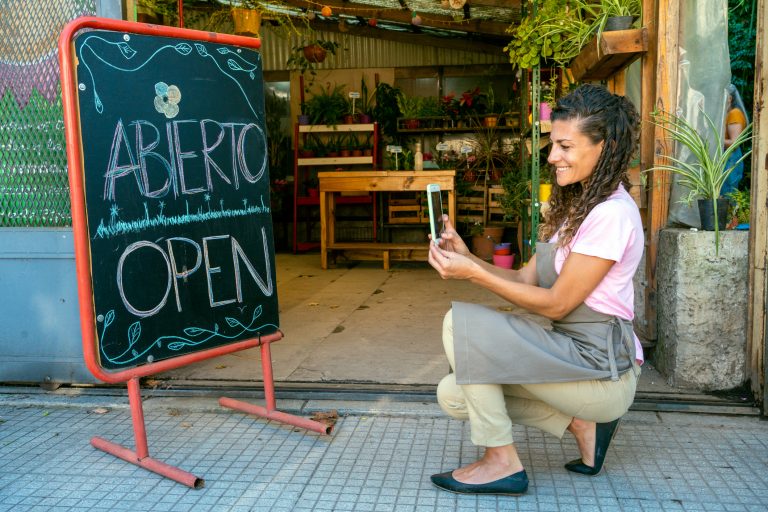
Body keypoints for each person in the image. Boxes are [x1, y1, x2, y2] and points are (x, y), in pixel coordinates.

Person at [427, 84, 644, 496]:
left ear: (605, 147)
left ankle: (500, 461)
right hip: (565, 352)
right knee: (453, 394)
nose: (552, 156)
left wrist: (471, 276)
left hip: (599, 366)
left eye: (565, 146)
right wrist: (468, 257)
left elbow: (559, 304)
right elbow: (527, 280)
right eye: (552, 144)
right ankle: (582, 424)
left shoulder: (611, 214)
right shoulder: (579, 207)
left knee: (461, 326)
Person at [721, 83, 749, 198]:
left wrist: (712, 140)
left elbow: (734, 143)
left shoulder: (734, 114)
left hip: (731, 159)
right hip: (727, 159)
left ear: (730, 98)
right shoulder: (729, 113)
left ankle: (732, 217)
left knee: (728, 196)